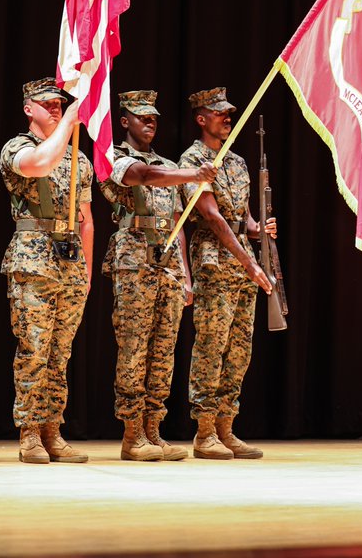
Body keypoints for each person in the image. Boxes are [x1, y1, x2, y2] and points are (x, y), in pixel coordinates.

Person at [100, 89, 218, 461]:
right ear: (125, 122)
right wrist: (193, 173)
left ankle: (154, 429)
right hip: (134, 262)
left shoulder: (168, 164)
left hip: (167, 265)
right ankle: (132, 434)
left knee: (163, 350)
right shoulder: (115, 158)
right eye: (141, 117)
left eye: (154, 117)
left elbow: (178, 223)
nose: (150, 123)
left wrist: (184, 272)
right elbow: (143, 175)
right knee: (134, 349)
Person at [0, 78, 94, 464]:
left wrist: (85, 272)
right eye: (48, 104)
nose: (56, 108)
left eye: (60, 104)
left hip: (70, 263)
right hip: (33, 260)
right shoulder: (16, 148)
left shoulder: (79, 160)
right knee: (34, 349)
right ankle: (30, 434)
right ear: (28, 108)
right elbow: (40, 164)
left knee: (60, 353)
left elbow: (86, 219)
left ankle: (53, 429)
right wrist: (71, 120)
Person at [179, 87, 276, 459]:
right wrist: (249, 261)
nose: (227, 118)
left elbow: (241, 218)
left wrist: (259, 229)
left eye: (228, 112)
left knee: (239, 349)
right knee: (211, 347)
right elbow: (213, 217)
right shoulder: (194, 160)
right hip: (214, 261)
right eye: (219, 113)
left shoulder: (236, 162)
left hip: (241, 264)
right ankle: (204, 434)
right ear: (201, 118)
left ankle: (226, 426)